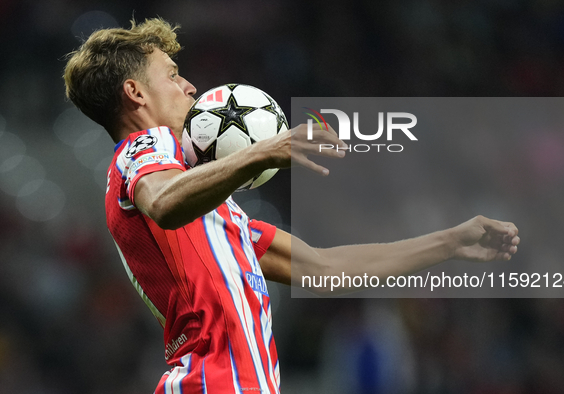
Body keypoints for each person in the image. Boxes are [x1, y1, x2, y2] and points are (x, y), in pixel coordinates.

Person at [63, 18, 519, 394]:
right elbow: (163, 201)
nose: (189, 85)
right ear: (135, 93)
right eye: (171, 74)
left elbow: (323, 269)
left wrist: (450, 241)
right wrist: (261, 152)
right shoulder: (142, 148)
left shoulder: (216, 210)